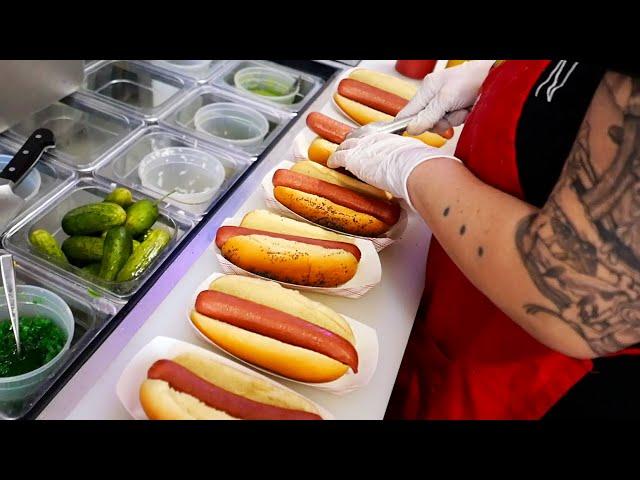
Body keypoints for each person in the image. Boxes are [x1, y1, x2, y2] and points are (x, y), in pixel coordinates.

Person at [328, 60, 640, 419]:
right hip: (458, 303)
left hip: (529, 378)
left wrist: (412, 168)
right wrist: (508, 78)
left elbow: (580, 300)